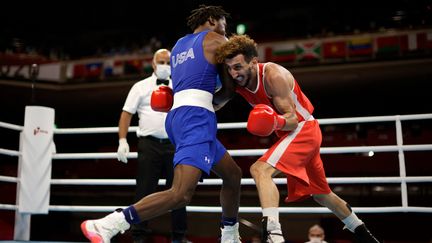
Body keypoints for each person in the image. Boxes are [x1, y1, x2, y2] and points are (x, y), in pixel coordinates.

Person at [80, 5, 242, 243]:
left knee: (233, 175)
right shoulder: (216, 39)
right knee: (180, 194)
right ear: (212, 20)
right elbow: (229, 88)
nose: (224, 31)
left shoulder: (178, 46)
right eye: (223, 25)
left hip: (178, 116)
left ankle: (229, 235)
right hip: (197, 117)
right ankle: (108, 224)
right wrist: (222, 95)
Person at [213, 34, 380, 243]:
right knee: (321, 194)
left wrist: (273, 122)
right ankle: (365, 235)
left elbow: (291, 118)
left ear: (253, 62)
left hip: (301, 129)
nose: (233, 73)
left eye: (237, 67)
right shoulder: (238, 80)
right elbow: (217, 102)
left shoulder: (273, 76)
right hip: (291, 134)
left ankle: (273, 233)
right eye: (229, 68)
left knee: (260, 169)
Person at [116, 48, 188, 242]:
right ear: (154, 64)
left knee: (179, 191)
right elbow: (126, 113)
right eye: (161, 61)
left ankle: (179, 237)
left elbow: (188, 115)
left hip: (175, 145)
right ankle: (138, 235)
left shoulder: (180, 87)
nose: (164, 65)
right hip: (149, 145)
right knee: (144, 189)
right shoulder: (140, 87)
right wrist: (122, 140)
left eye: (168, 62)